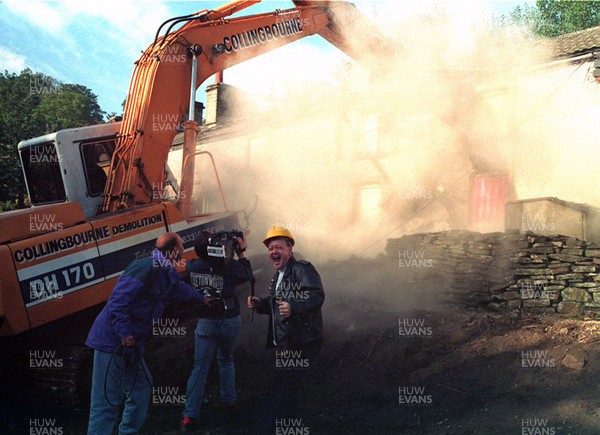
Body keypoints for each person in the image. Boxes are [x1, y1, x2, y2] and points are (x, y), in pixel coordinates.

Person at [86, 232, 209, 435]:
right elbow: (117, 303)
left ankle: (128, 431)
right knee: (105, 402)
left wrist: (201, 299)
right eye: (180, 249)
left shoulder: (163, 270)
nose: (182, 253)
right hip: (111, 342)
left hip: (131, 345)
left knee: (141, 389)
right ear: (174, 251)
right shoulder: (145, 267)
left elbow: (177, 289)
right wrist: (125, 334)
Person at [247, 226, 325, 434]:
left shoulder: (302, 269)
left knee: (284, 386)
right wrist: (260, 304)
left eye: (279, 247)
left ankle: (270, 428)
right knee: (286, 386)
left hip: (303, 340)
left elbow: (316, 296)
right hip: (287, 341)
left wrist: (294, 306)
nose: (274, 251)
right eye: (271, 247)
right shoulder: (279, 274)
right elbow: (277, 304)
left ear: (290, 249)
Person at [180, 231, 254, 430]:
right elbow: (247, 274)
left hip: (205, 322)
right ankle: (229, 401)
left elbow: (188, 269)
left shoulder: (193, 265)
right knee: (226, 359)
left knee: (200, 368)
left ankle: (189, 415)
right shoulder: (229, 266)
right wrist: (241, 252)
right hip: (229, 320)